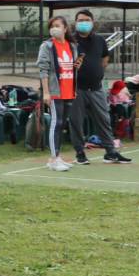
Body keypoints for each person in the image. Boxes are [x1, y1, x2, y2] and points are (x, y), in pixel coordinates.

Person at [70, 10, 132, 165]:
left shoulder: (99, 40)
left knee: (104, 120)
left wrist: (97, 71)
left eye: (86, 20)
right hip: (76, 89)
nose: (83, 22)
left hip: (96, 88)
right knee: (76, 122)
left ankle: (110, 152)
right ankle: (80, 153)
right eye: (80, 20)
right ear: (75, 22)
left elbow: (105, 57)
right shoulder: (70, 41)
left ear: (92, 22)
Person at [38, 16, 78, 172]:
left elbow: (72, 67)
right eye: (51, 26)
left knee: (62, 124)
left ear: (65, 28)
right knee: (56, 122)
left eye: (57, 26)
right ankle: (54, 159)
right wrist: (46, 92)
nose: (54, 28)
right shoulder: (47, 46)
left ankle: (56, 156)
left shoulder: (72, 46)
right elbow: (43, 70)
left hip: (69, 89)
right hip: (55, 91)